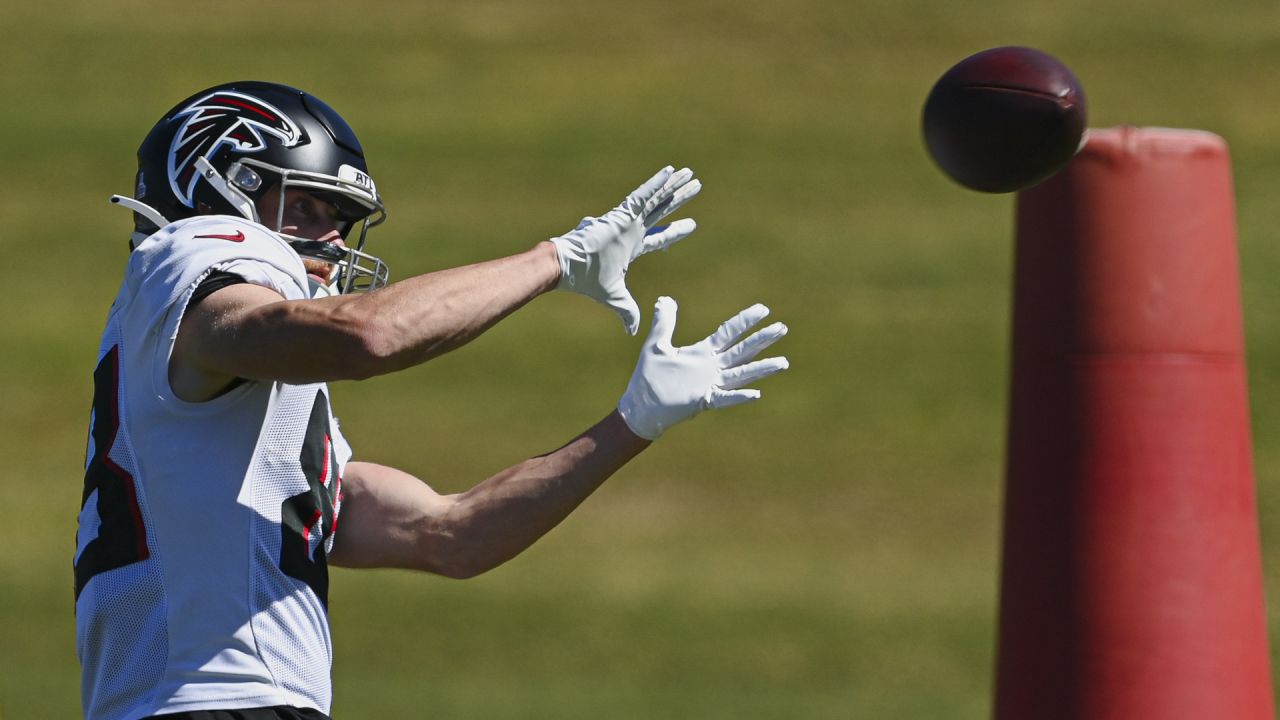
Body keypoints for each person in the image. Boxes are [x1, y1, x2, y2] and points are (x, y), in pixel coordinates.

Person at [75, 80, 789, 720]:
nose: (329, 238)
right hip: (214, 703)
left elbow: (453, 536)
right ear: (210, 184)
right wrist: (558, 259)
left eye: (339, 217)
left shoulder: (240, 433)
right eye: (307, 204)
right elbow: (370, 335)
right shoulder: (189, 253)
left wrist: (633, 421)